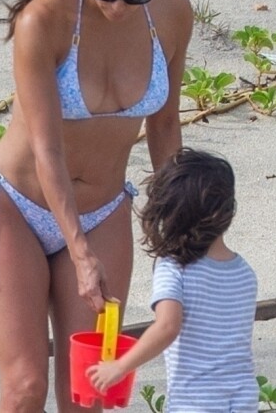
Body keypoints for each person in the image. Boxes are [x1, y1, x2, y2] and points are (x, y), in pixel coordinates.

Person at [0, 0, 193, 413]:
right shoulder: (44, 20)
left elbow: (165, 127)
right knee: (24, 389)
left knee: (91, 396)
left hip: (105, 209)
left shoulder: (174, 13)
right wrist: (80, 254)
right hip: (14, 205)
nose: (118, 6)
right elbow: (47, 150)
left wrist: (183, 226)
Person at [87, 147, 259, 413]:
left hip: (194, 402)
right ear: (227, 211)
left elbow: (167, 326)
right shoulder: (244, 273)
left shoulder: (174, 268)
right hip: (243, 400)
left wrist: (120, 366)